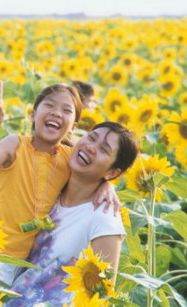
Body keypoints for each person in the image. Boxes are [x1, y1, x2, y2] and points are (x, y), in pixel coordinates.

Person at [0, 81, 121, 286]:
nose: (56, 113)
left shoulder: (71, 159)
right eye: (49, 105)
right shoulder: (14, 145)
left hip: (30, 267)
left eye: (66, 110)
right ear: (33, 115)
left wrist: (107, 185)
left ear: (73, 128)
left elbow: (93, 175)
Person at [8, 121, 139, 306]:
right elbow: (19, 230)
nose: (91, 147)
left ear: (112, 172)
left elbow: (101, 296)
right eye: (92, 137)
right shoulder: (49, 191)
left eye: (104, 149)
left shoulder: (104, 220)